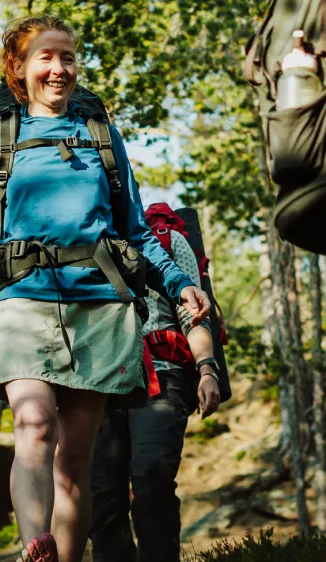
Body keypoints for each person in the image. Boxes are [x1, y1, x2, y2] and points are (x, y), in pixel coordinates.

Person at [0, 15, 211, 562]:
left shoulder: (103, 140)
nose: (59, 69)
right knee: (34, 426)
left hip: (99, 309)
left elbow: (133, 230)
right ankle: (34, 545)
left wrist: (179, 283)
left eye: (67, 58)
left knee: (76, 465)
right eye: (45, 57)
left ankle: (61, 556)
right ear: (18, 68)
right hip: (21, 303)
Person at [89, 204, 223, 562]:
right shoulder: (79, 244)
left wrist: (207, 368)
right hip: (98, 384)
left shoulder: (168, 241)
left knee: (151, 477)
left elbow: (190, 310)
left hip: (163, 374)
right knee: (102, 500)